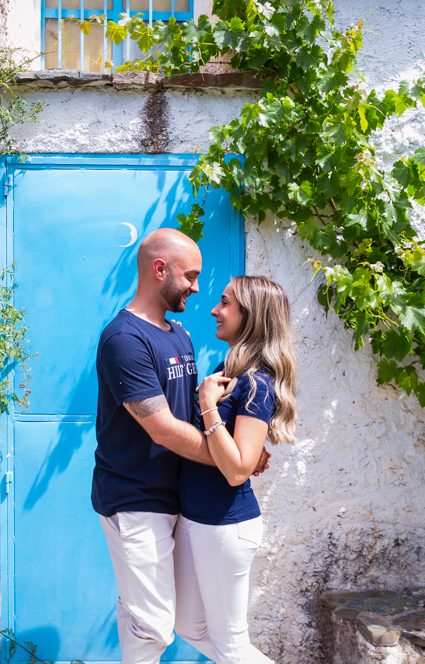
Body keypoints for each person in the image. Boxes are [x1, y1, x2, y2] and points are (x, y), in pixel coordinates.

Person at [93, 228, 269, 664]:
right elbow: (164, 429)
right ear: (160, 269)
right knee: (152, 626)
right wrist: (234, 462)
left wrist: (244, 450)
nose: (196, 287)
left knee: (162, 618)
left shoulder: (179, 336)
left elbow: (195, 415)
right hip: (135, 496)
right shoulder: (124, 340)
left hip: (181, 498)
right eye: (190, 276)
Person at [174, 276, 298, 664]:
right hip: (197, 517)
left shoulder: (258, 382)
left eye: (225, 303)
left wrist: (208, 404)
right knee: (190, 627)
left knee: (231, 645)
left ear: (252, 316)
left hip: (225, 525)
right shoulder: (231, 366)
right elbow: (236, 451)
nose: (214, 309)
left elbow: (237, 470)